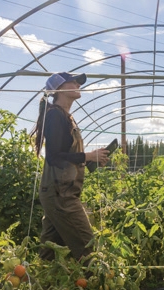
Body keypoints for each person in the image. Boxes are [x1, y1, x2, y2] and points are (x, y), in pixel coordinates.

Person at [32, 72, 110, 261]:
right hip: (60, 194)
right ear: (59, 89)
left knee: (51, 249)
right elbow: (54, 156)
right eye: (72, 82)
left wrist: (90, 159)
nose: (77, 84)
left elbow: (65, 155)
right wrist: (87, 155)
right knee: (87, 245)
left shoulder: (66, 117)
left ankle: (41, 285)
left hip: (60, 191)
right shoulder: (55, 116)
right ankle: (99, 283)